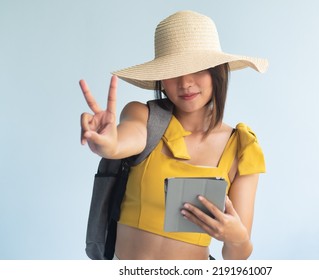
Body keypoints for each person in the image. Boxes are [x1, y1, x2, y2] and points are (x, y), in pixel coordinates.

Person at [80, 10, 268, 260]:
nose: (185, 82)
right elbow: (123, 140)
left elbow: (236, 256)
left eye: (198, 69)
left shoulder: (242, 147)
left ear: (218, 72)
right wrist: (109, 143)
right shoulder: (144, 117)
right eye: (173, 71)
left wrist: (237, 238)